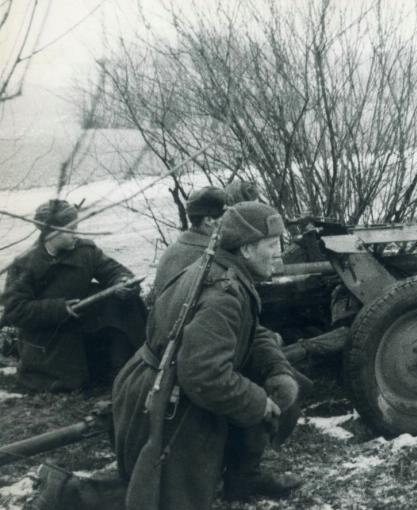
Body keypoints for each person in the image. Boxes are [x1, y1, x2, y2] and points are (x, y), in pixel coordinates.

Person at [112, 202, 303, 509]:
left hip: (169, 387)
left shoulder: (222, 272)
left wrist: (275, 367)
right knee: (159, 500)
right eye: (272, 244)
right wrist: (258, 402)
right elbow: (205, 375)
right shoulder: (222, 293)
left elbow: (249, 332)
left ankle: (243, 479)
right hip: (166, 403)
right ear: (247, 249)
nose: (279, 252)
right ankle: (63, 493)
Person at [1, 199, 146, 392]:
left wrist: (122, 282)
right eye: (71, 229)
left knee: (125, 301)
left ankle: (124, 373)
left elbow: (115, 271)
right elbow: (14, 311)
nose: (76, 235)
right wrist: (59, 309)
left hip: (82, 325)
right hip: (49, 339)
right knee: (69, 383)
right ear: (51, 232)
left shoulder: (85, 251)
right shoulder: (24, 264)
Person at [148, 186, 227, 300]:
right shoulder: (209, 256)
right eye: (225, 215)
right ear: (209, 220)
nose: (229, 220)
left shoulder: (173, 249)